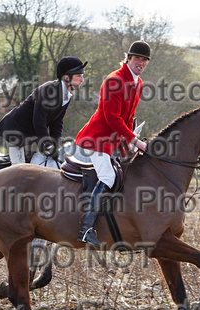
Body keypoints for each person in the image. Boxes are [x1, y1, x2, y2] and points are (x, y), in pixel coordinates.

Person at [74, 40, 150, 247]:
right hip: (96, 139)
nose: (140, 63)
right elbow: (112, 118)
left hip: (114, 140)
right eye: (137, 59)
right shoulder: (114, 80)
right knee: (107, 176)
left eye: (144, 60)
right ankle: (86, 228)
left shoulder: (139, 83)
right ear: (128, 58)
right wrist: (135, 141)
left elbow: (129, 116)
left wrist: (129, 142)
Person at [0, 56, 87, 165]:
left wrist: (56, 146)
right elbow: (39, 120)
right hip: (16, 130)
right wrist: (49, 145)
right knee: (19, 169)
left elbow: (57, 124)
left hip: (33, 134)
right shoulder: (48, 90)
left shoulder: (66, 96)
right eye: (79, 76)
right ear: (67, 77)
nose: (82, 80)